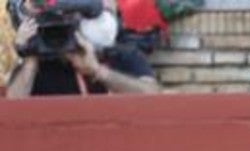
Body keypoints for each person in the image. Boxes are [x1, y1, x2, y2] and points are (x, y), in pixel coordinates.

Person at [6, 0, 159, 98]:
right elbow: (11, 111)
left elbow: (154, 96)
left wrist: (98, 72)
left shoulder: (122, 55)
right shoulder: (41, 66)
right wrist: (31, 57)